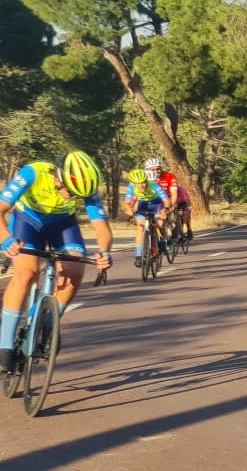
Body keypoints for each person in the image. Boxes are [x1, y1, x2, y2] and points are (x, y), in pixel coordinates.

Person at [0, 152, 114, 375]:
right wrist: (5, 238)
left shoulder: (86, 186)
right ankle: (5, 345)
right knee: (27, 272)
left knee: (74, 271)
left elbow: (102, 226)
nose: (72, 198)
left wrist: (104, 253)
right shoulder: (33, 173)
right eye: (70, 192)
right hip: (27, 222)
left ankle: (48, 323)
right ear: (58, 177)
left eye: (77, 196)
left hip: (62, 224)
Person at [122, 160, 167, 265]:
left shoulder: (154, 186)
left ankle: (162, 241)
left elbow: (166, 200)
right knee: (140, 227)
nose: (142, 185)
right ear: (133, 183)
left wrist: (165, 210)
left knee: (159, 224)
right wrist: (129, 209)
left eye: (144, 182)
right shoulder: (132, 187)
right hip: (144, 205)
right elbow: (127, 202)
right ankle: (138, 256)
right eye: (138, 183)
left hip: (157, 204)